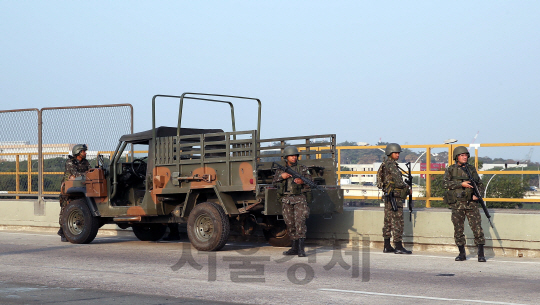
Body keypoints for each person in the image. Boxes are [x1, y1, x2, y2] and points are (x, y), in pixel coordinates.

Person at [443, 146, 486, 262]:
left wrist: (478, 194)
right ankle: (461, 253)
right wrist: (461, 185)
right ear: (456, 157)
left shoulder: (471, 169)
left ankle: (481, 254)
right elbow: (445, 184)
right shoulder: (450, 169)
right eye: (462, 155)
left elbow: (480, 184)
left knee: (477, 229)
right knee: (458, 230)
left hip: (471, 204)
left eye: (466, 155)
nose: (465, 157)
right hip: (457, 204)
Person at [272, 146, 313, 257]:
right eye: (292, 156)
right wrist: (281, 176)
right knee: (290, 224)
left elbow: (310, 182)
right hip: (286, 200)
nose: (294, 158)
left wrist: (302, 181)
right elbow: (274, 182)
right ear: (286, 157)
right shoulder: (281, 170)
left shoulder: (302, 168)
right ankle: (294, 248)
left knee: (300, 223)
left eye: (295, 156)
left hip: (300, 199)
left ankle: (301, 249)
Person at [376, 143, 412, 254]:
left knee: (388, 221)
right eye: (395, 153)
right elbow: (398, 182)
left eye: (398, 153)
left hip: (388, 196)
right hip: (395, 197)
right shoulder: (391, 165)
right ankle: (398, 246)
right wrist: (407, 187)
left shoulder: (384, 164)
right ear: (390, 153)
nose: (397, 155)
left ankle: (387, 245)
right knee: (398, 222)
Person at [58, 144, 90, 242]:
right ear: (78, 152)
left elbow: (90, 172)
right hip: (69, 189)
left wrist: (83, 176)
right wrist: (85, 175)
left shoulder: (85, 162)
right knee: (65, 209)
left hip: (80, 189)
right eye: (83, 151)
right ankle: (63, 231)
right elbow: (74, 174)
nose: (85, 153)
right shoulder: (70, 162)